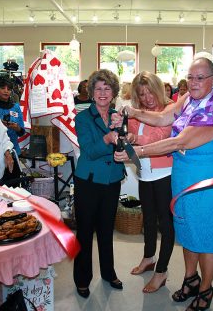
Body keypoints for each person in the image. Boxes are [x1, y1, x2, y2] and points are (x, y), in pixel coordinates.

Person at [114, 58, 213, 311]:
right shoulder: (189, 99)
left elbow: (177, 143)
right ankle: (190, 279)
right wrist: (134, 111)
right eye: (190, 77)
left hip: (210, 183)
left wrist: (137, 151)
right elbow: (163, 118)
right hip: (185, 178)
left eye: (200, 78)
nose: (194, 82)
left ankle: (205, 290)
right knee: (187, 231)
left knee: (207, 238)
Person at [73, 69, 125, 299]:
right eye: (98, 89)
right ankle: (82, 279)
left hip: (112, 180)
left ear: (113, 93)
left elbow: (124, 145)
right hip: (89, 181)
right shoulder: (82, 117)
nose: (103, 93)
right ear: (91, 93)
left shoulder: (118, 116)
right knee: (84, 232)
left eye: (107, 88)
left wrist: (123, 130)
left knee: (106, 229)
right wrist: (107, 138)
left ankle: (108, 272)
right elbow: (89, 151)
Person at [127, 71, 175, 294]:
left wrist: (136, 140)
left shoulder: (170, 109)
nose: (147, 98)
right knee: (148, 219)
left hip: (165, 173)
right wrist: (130, 136)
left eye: (149, 92)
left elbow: (161, 137)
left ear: (158, 89)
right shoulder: (137, 113)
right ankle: (149, 257)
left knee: (166, 224)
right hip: (145, 173)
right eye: (141, 94)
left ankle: (161, 271)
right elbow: (132, 132)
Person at [0, 76, 25, 156]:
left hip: (14, 150)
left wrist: (16, 127)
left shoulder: (16, 107)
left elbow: (22, 132)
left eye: (8, 89)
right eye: (3, 88)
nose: (6, 91)